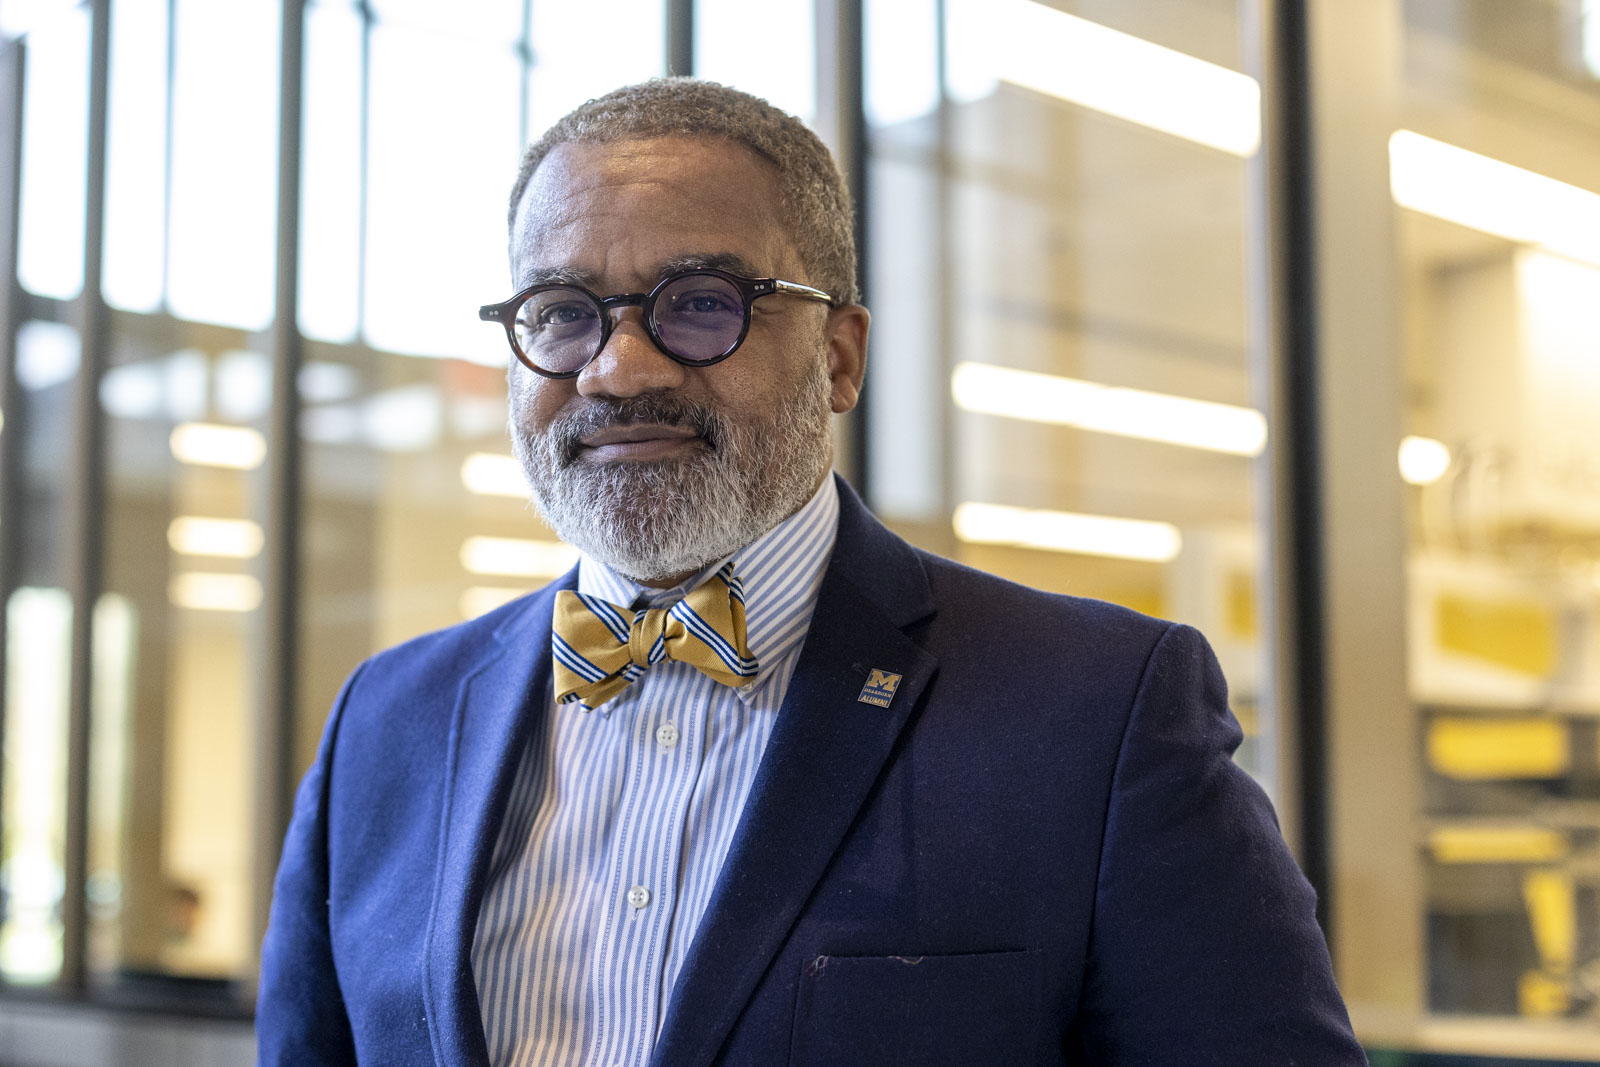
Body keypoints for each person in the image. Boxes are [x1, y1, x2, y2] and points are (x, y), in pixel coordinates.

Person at [257, 79, 1367, 1066]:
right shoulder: (386, 721)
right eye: (560, 313)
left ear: (838, 355)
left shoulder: (1096, 709)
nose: (618, 366)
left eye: (700, 303)